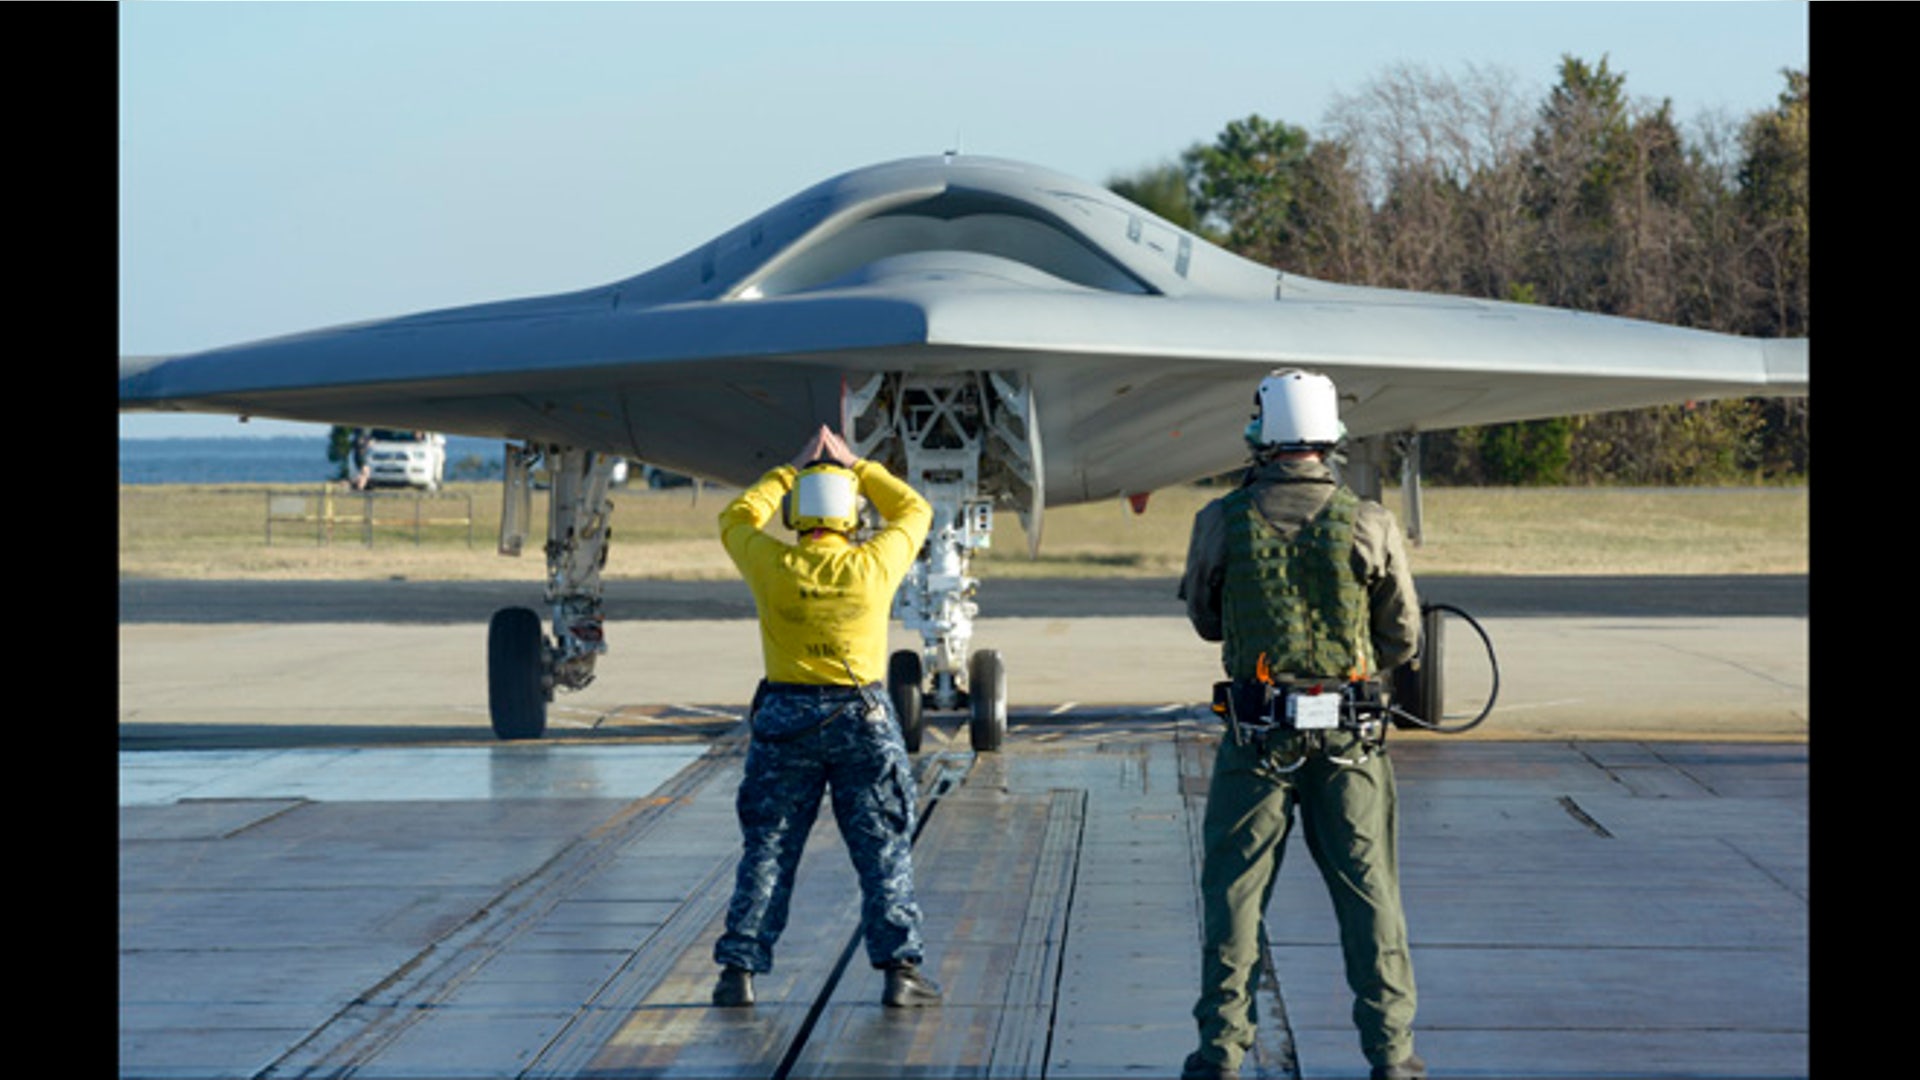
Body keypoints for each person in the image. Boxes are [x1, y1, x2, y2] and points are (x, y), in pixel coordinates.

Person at [1177, 370, 1427, 1080]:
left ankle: (1221, 1053)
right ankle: (1392, 1054)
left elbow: (1206, 620)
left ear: (1263, 433)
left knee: (1234, 895)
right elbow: (1402, 637)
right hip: (1349, 743)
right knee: (1370, 896)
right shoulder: (1370, 522)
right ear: (1329, 437)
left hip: (1257, 740)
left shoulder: (1220, 520)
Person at [710, 424, 944, 1010]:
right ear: (851, 516)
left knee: (769, 846)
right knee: (883, 850)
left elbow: (736, 518)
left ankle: (738, 972)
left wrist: (787, 473)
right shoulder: (872, 565)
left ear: (797, 515)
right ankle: (900, 972)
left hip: (785, 716)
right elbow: (915, 510)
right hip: (862, 716)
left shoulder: (773, 564)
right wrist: (859, 466)